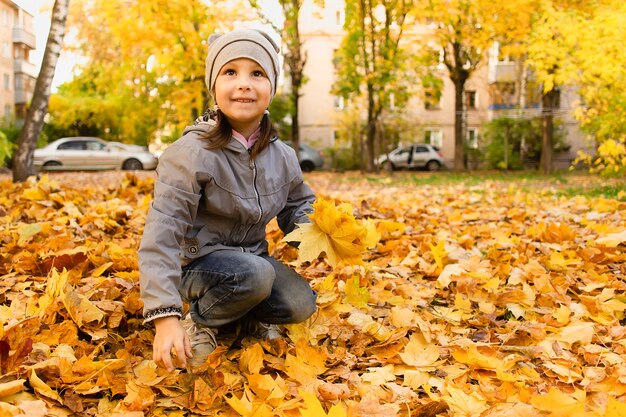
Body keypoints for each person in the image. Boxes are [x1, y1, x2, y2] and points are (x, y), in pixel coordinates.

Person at [138, 28, 318, 372]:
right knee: (253, 276)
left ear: (272, 87)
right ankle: (201, 321)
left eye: (258, 73)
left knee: (300, 303)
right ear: (214, 84)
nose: (244, 83)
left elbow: (298, 206)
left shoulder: (283, 156)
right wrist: (164, 316)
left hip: (252, 263)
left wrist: (320, 228)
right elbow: (161, 235)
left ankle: (244, 314)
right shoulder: (190, 154)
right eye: (230, 72)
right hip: (196, 266)